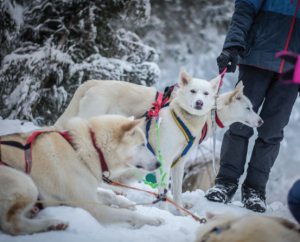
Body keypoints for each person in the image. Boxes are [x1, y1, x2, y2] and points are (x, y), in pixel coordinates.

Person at [205, 0, 300, 213]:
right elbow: (245, 8)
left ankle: (255, 189)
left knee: (273, 131)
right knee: (240, 123)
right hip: (258, 55)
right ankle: (226, 182)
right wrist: (233, 45)